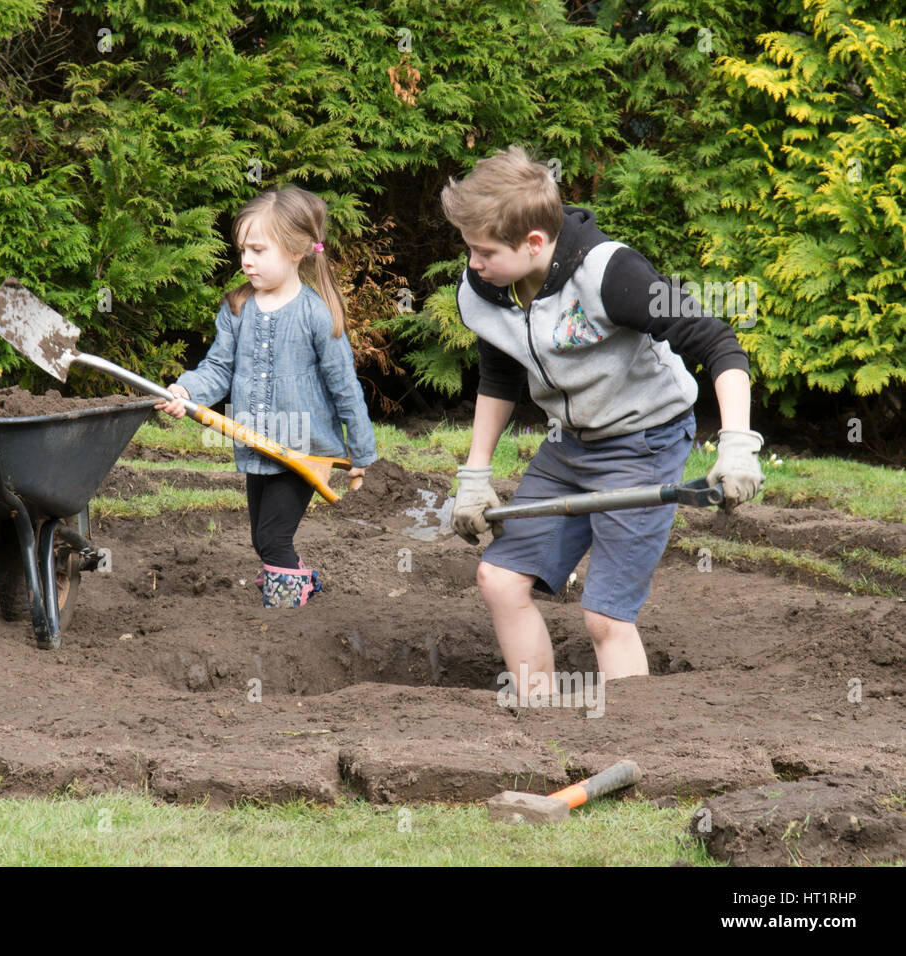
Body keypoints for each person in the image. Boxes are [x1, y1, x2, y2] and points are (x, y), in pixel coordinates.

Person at [443, 146, 764, 696]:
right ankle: (535, 715)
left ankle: (633, 745)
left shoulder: (612, 275)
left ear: (534, 243)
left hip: (646, 442)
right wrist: (475, 475)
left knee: (606, 616)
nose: (473, 263)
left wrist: (736, 445)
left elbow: (717, 341)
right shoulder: (486, 290)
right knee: (498, 579)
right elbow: (498, 378)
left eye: (484, 251)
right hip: (569, 446)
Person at [156, 186, 377, 607]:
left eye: (258, 250)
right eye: (243, 250)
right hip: (257, 445)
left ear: (296, 251)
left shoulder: (316, 314)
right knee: (262, 538)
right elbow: (219, 369)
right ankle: (303, 583)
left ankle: (286, 612)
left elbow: (344, 386)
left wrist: (362, 456)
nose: (246, 261)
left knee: (274, 538)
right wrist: (187, 390)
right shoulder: (238, 308)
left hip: (303, 451)